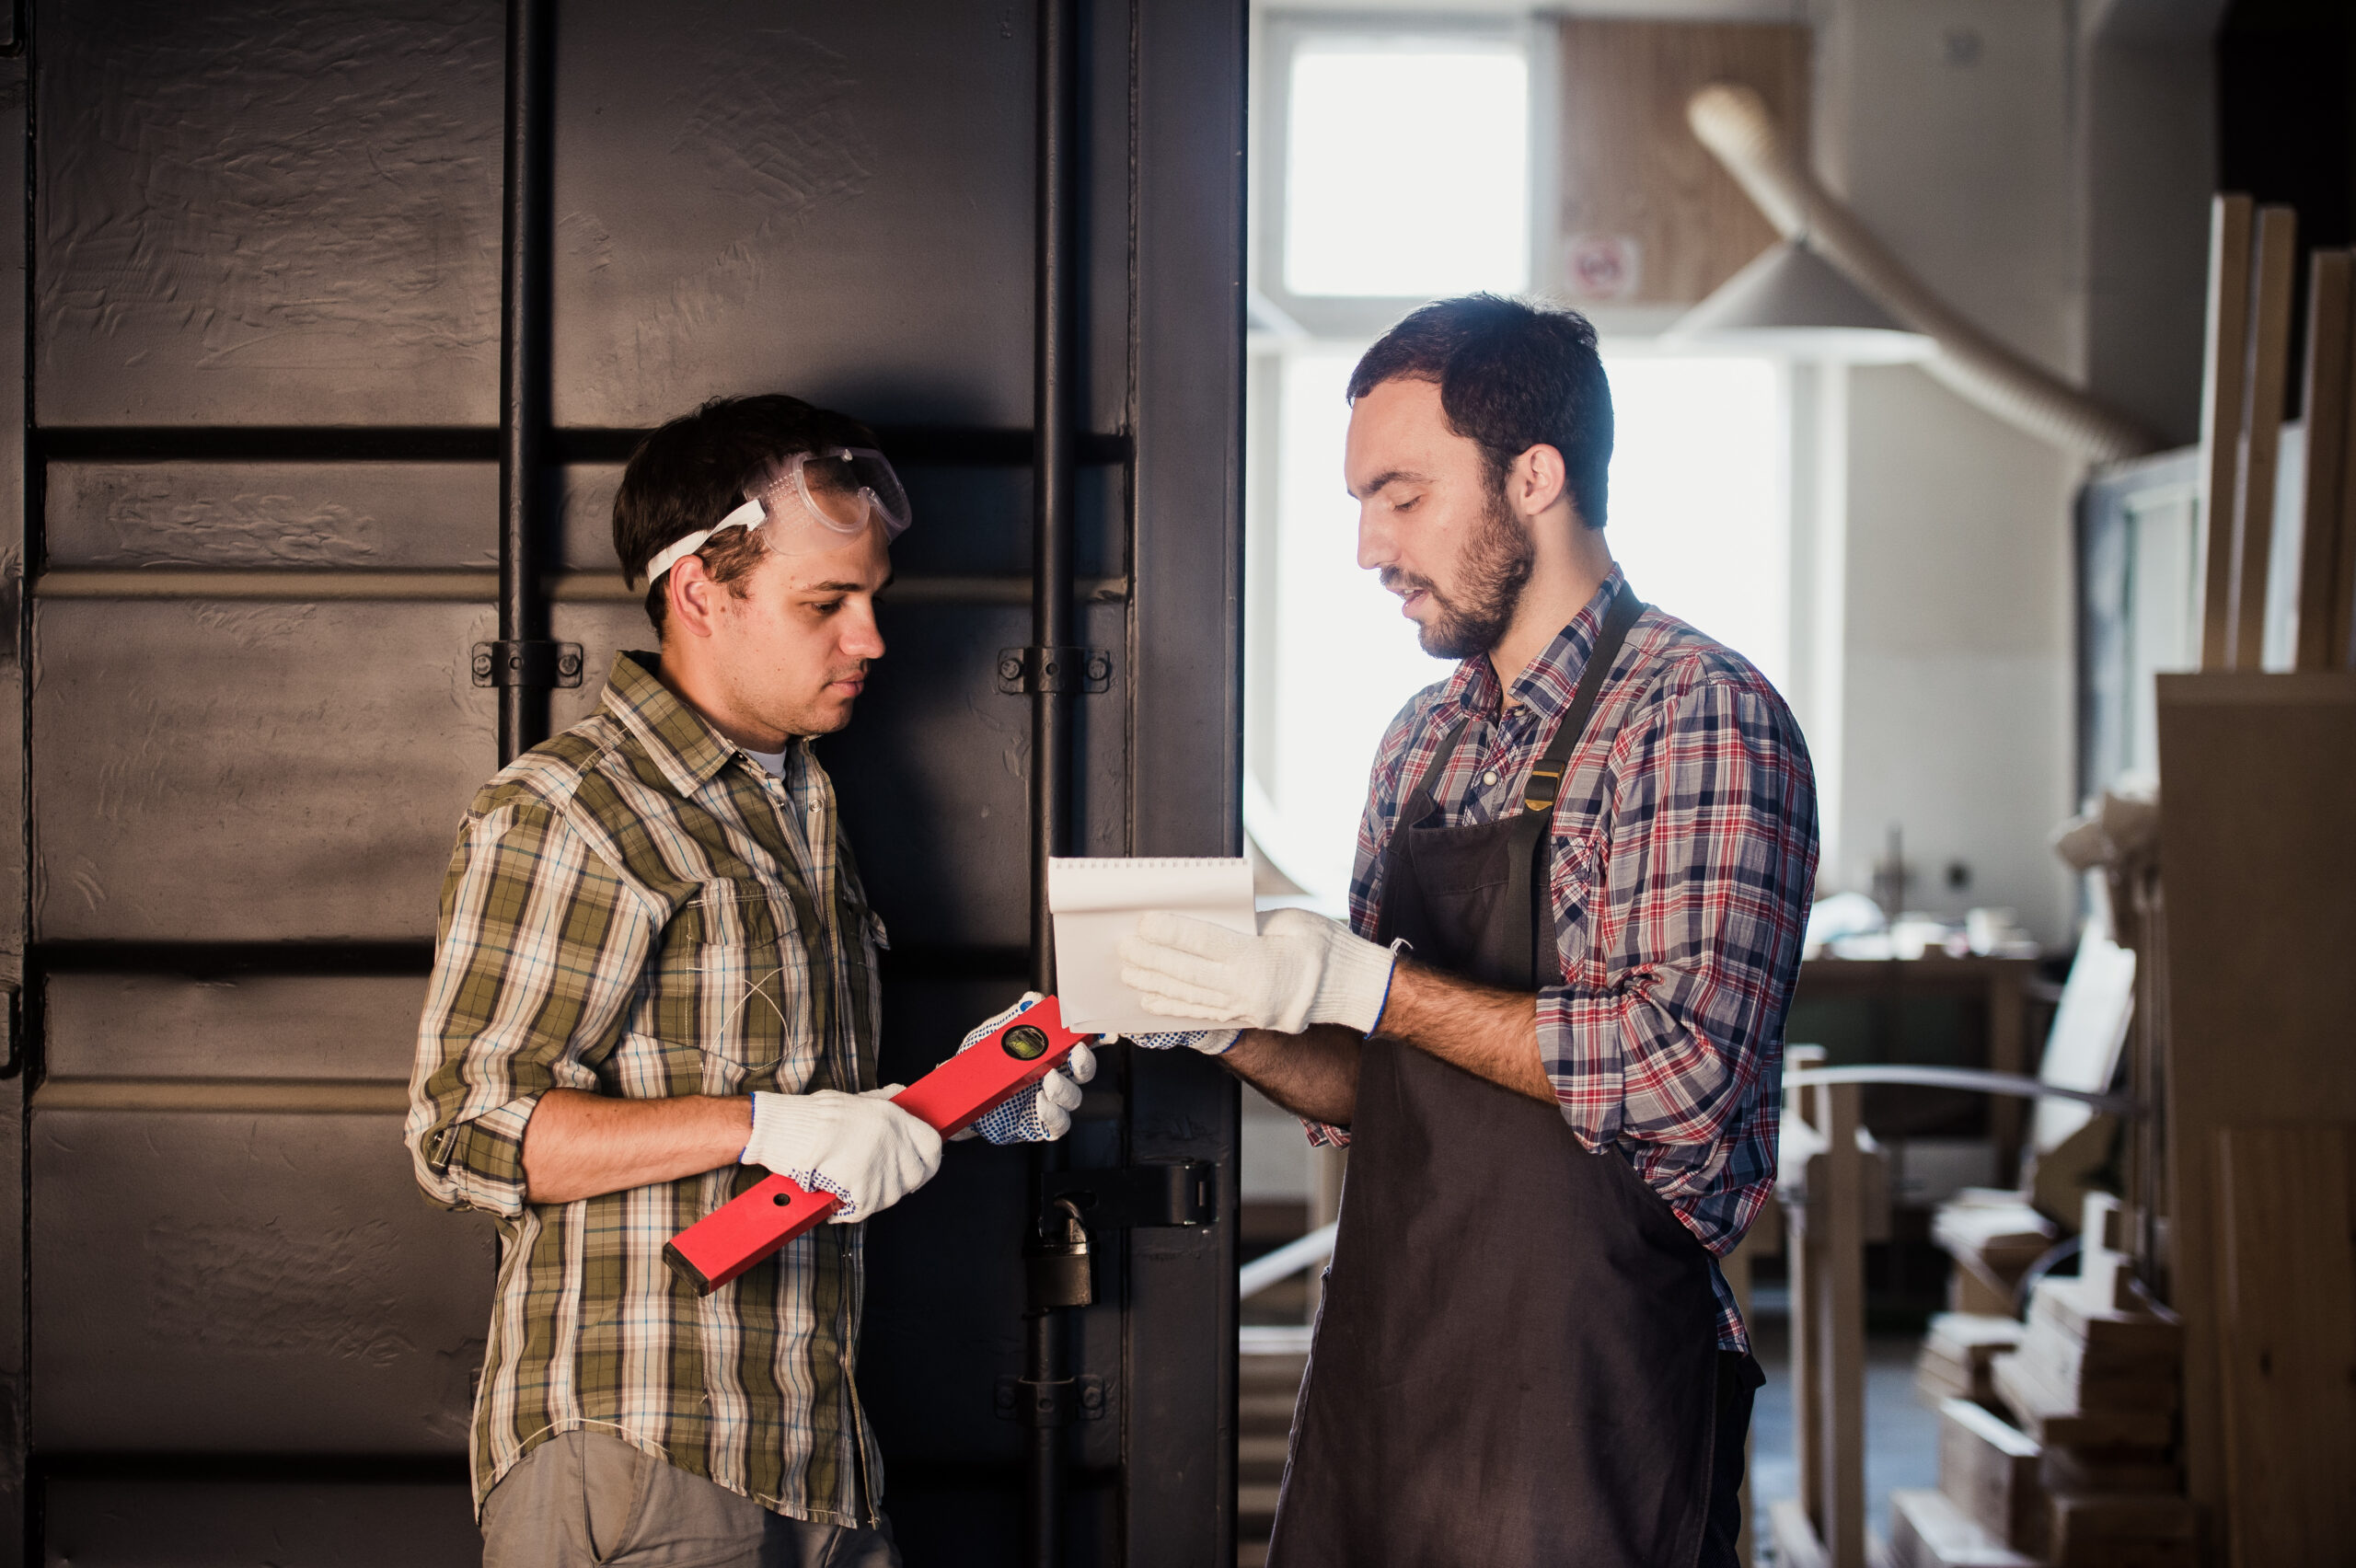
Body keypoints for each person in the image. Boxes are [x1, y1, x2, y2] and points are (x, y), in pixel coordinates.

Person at [1120, 296, 1819, 1567]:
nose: (1368, 547)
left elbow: (1682, 1070)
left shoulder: (1697, 715)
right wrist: (1222, 1016)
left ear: (1534, 476)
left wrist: (1376, 985)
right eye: (1358, 502)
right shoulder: (1423, 741)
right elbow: (1380, 1085)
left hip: (1588, 1396)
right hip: (1392, 1366)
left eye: (1401, 495)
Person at [406, 395, 1092, 1568]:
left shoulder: (798, 806)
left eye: (871, 596)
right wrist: (760, 1123)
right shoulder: (576, 810)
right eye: (826, 603)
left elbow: (817, 1132)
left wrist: (975, 1100)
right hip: (642, 1448)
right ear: (701, 593)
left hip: (815, 1452)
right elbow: (467, 1131)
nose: (870, 638)